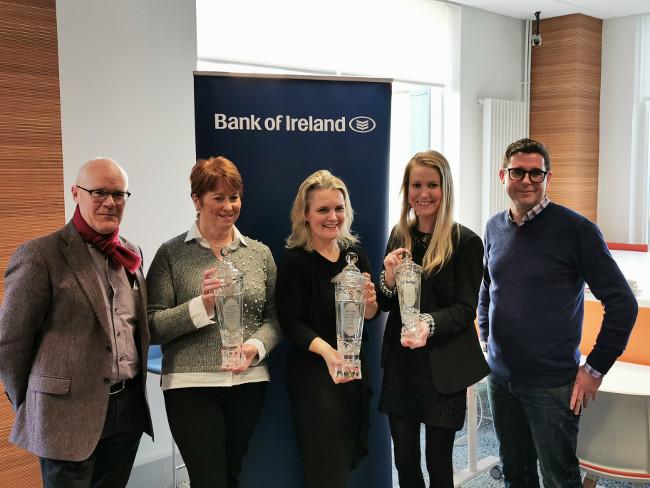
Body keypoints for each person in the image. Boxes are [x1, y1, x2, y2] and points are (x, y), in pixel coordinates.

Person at [478, 138, 638, 488]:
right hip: (501, 378)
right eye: (518, 172)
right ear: (503, 175)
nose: (527, 181)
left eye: (537, 173)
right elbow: (488, 286)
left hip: (552, 384)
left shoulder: (577, 231)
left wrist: (595, 369)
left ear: (548, 179)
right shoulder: (493, 228)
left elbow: (623, 303)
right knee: (515, 472)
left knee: (559, 477)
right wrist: (486, 336)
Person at [0, 157, 152, 488]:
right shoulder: (41, 255)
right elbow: (10, 344)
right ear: (76, 193)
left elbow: (136, 327)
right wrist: (34, 404)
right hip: (64, 415)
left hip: (126, 409)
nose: (110, 202)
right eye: (99, 192)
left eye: (119, 194)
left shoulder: (132, 253)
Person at [146, 156, 282, 488]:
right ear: (197, 200)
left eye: (233, 196)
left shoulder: (259, 253)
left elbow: (276, 318)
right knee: (209, 481)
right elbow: (151, 327)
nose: (228, 206)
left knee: (231, 475)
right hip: (190, 386)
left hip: (248, 383)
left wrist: (256, 346)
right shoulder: (171, 254)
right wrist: (202, 306)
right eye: (218, 197)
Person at [377, 150, 489, 487]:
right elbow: (385, 303)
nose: (423, 193)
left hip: (443, 368)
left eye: (432, 185)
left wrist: (428, 323)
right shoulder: (400, 236)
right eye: (416, 185)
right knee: (405, 462)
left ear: (446, 189)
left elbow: (464, 309)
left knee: (439, 463)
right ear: (406, 190)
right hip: (402, 366)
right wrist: (388, 276)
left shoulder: (465, 242)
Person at [275, 169, 379, 488]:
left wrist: (371, 301)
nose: (332, 216)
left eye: (338, 208)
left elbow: (368, 315)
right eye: (322, 209)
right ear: (305, 215)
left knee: (342, 464)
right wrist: (329, 353)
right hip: (314, 377)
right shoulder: (296, 262)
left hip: (351, 372)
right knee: (325, 467)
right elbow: (290, 322)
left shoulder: (355, 255)